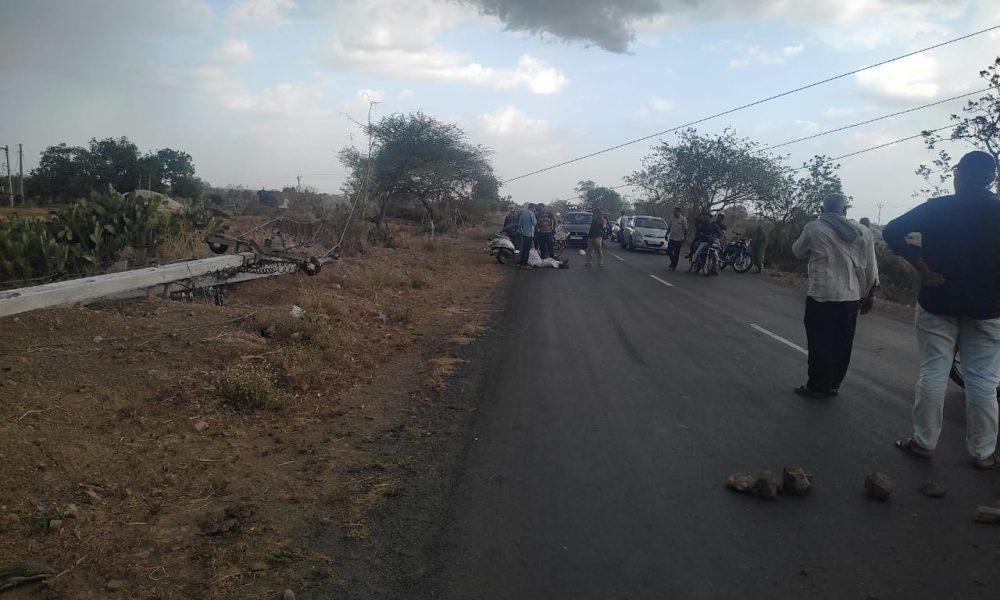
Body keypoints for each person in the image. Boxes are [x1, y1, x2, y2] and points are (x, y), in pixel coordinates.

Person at [882, 151, 1000, 469]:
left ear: (959, 175)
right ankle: (983, 453)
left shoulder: (939, 207)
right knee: (984, 379)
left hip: (938, 299)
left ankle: (924, 443)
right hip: (988, 307)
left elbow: (891, 230)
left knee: (934, 370)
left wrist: (920, 268)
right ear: (992, 179)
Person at [791, 193, 879, 399]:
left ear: (823, 210)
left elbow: (797, 251)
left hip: (822, 294)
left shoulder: (814, 227)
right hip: (851, 296)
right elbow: (871, 268)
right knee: (843, 342)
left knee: (819, 341)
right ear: (846, 211)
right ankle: (833, 385)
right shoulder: (864, 231)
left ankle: (817, 386)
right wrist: (869, 296)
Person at [516, 203, 537, 269]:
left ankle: (521, 262)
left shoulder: (523, 213)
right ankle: (524, 264)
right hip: (529, 234)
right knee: (527, 249)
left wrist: (521, 231)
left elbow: (519, 225)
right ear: (533, 207)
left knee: (523, 248)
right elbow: (534, 223)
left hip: (523, 234)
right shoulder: (531, 213)